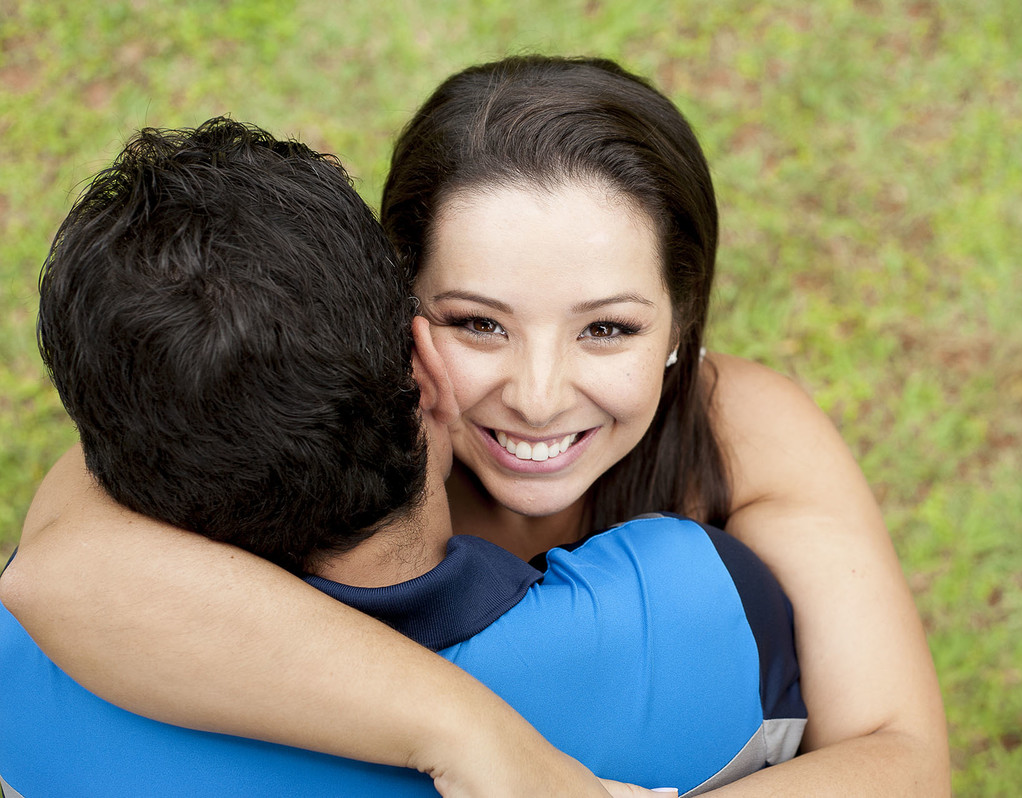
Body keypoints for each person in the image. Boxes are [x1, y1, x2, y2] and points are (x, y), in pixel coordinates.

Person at [1, 57, 950, 795]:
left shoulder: (745, 431)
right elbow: (62, 572)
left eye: (608, 329)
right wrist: (471, 733)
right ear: (397, 314)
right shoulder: (303, 399)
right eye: (478, 324)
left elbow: (901, 758)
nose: (537, 397)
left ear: (680, 318)